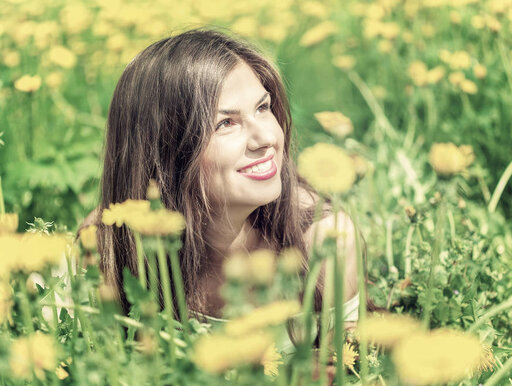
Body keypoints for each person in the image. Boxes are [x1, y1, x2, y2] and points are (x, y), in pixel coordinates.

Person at [83, 28, 362, 343]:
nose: (267, 138)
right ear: (166, 151)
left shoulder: (324, 242)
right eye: (226, 123)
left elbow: (351, 366)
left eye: (263, 107)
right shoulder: (107, 244)